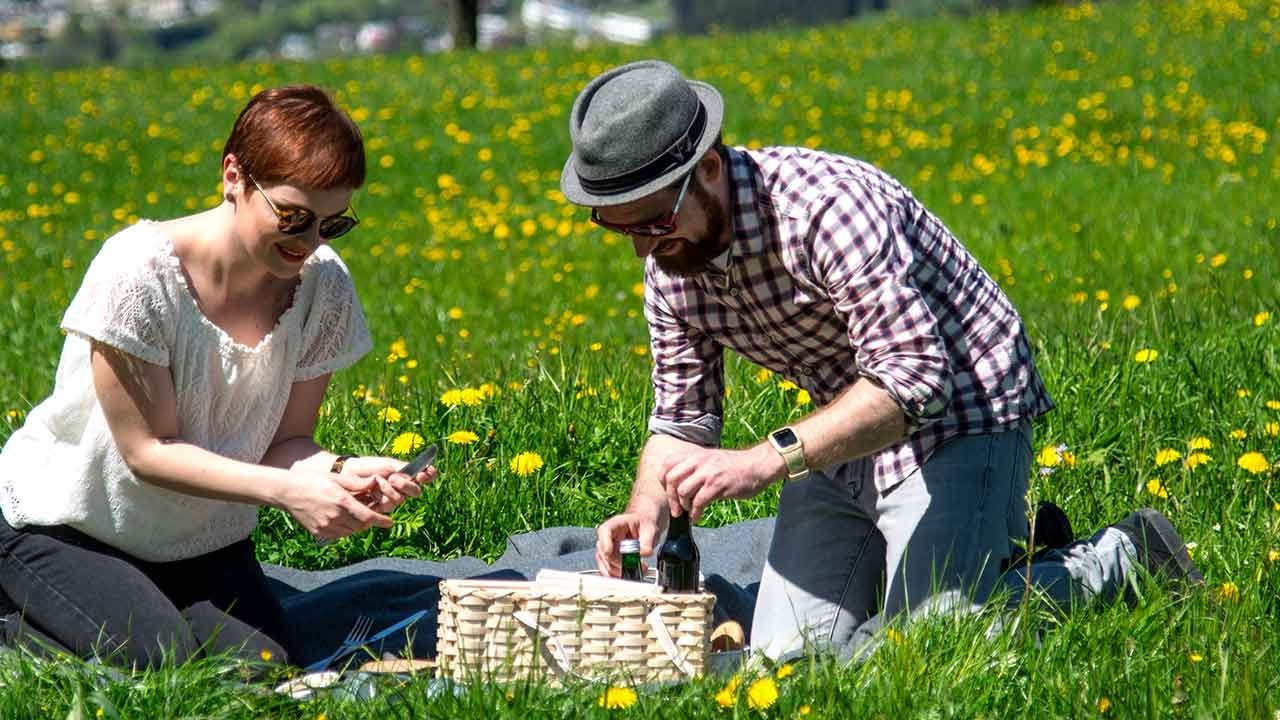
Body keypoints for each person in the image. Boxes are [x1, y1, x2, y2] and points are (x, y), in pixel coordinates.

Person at [566, 60, 1202, 661]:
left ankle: (1119, 557)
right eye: (618, 228)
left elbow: (912, 379)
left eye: (652, 222)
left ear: (707, 168)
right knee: (783, 668)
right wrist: (645, 511)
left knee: (925, 648)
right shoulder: (670, 263)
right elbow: (680, 416)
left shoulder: (825, 210)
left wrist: (765, 461)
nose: (642, 251)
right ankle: (996, 557)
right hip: (844, 433)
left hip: (960, 415)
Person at [0, 84, 435, 670]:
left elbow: (287, 444)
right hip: (67, 523)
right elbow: (147, 452)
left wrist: (335, 472)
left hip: (200, 540)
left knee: (259, 667)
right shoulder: (139, 273)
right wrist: (288, 493)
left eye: (332, 225)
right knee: (160, 661)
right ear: (234, 175)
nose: (309, 244)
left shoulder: (323, 286)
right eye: (293, 217)